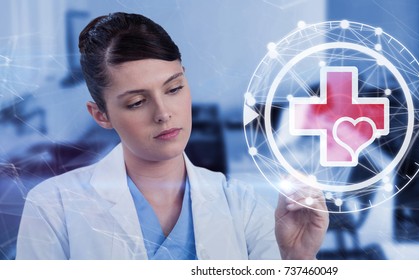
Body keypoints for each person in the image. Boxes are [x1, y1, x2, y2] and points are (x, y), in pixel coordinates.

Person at [15, 12, 328, 260]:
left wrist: (297, 258)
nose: (163, 113)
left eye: (174, 88)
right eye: (137, 102)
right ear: (101, 115)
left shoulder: (241, 205)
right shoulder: (53, 207)